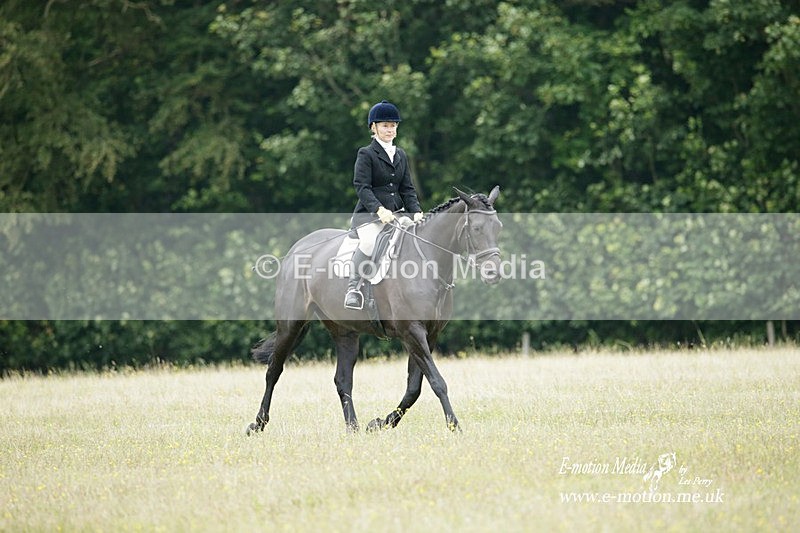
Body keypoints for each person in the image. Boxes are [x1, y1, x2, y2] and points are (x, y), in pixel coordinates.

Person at [345, 100, 424, 310]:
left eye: (393, 125)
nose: (390, 130)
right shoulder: (366, 153)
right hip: (369, 216)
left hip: (397, 215)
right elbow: (362, 187)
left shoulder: (401, 155)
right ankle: (353, 288)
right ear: (374, 127)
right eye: (385, 125)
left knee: (415, 240)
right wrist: (379, 209)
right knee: (369, 243)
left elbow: (407, 189)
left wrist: (416, 211)